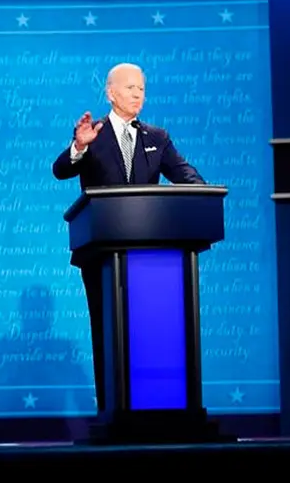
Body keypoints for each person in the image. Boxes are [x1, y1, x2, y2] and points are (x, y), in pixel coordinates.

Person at [51, 62, 204, 415]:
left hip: (152, 257)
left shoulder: (157, 137)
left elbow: (185, 175)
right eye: (130, 88)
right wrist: (78, 146)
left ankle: (159, 414)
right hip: (101, 255)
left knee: (151, 337)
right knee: (109, 333)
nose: (138, 95)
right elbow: (60, 170)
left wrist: (203, 195)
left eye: (142, 89)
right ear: (111, 92)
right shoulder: (93, 135)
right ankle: (112, 414)